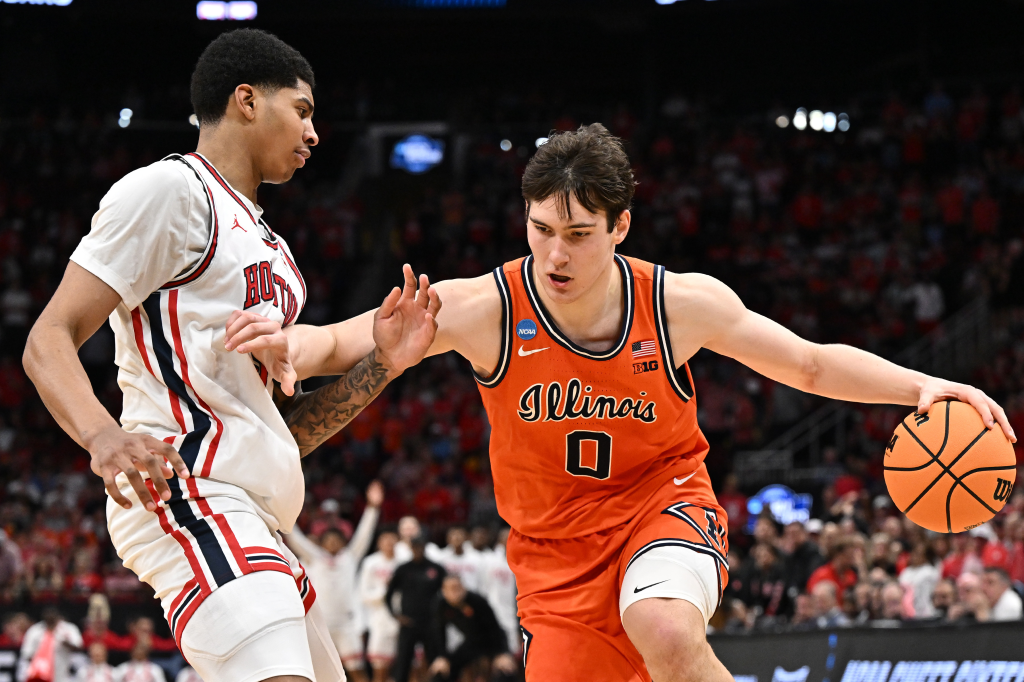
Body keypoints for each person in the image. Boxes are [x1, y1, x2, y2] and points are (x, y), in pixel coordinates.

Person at [238, 123, 1016, 682]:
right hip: (552, 559)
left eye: (578, 233)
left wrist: (922, 386)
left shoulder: (678, 304)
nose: (555, 253)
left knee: (665, 627)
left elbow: (809, 364)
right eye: (542, 229)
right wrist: (284, 341)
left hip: (661, 505)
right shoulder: (486, 308)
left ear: (621, 227)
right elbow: (339, 340)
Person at [21, 28, 439, 682]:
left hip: (255, 513)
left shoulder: (274, 250)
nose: (314, 133)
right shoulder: (171, 190)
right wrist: (102, 435)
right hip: (190, 490)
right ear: (247, 101)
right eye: (301, 110)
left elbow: (284, 428)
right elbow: (48, 338)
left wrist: (382, 364)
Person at [285, 481, 383, 680]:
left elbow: (364, 534)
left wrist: (373, 507)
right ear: (321, 544)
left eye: (336, 540)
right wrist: (285, 514)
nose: (332, 543)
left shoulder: (350, 557)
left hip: (347, 624)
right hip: (322, 624)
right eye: (328, 540)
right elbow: (295, 538)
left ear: (344, 542)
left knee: (357, 671)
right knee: (320, 674)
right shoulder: (315, 558)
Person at [427, 575, 517, 682]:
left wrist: (501, 652)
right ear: (443, 591)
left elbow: (495, 628)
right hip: (471, 642)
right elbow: (439, 632)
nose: (455, 592)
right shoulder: (440, 604)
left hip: (492, 642)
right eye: (451, 589)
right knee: (440, 672)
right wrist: (442, 656)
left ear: (464, 588)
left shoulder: (477, 601)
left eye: (457, 587)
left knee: (506, 671)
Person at [385, 536, 446, 682]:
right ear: (411, 548)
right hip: (408, 622)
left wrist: (441, 616)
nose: (418, 550)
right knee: (403, 662)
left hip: (430, 622)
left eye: (421, 546)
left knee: (435, 660)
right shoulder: (403, 569)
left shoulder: (436, 568)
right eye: (415, 547)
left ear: (425, 547)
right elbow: (388, 595)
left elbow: (446, 594)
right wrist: (396, 615)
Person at [359, 530, 402, 682]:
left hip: (403, 617)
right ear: (379, 543)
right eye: (385, 539)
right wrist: (385, 590)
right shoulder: (370, 562)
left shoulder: (405, 560)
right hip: (380, 618)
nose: (389, 543)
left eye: (392, 539)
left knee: (410, 664)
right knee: (379, 665)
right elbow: (364, 594)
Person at [479, 529, 519, 655]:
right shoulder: (488, 559)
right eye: (504, 537)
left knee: (514, 650)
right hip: (492, 608)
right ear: (499, 540)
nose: (507, 539)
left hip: (513, 611)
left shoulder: (520, 561)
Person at [18, 608, 83, 682]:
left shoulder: (68, 628)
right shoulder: (35, 630)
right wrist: (41, 660)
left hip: (62, 674)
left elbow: (79, 647)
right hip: (40, 675)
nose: (50, 621)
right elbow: (26, 653)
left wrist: (66, 643)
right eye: (48, 619)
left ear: (58, 617)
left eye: (52, 619)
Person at [806, 536, 860, 608]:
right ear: (837, 555)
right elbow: (812, 600)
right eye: (849, 556)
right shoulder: (821, 575)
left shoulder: (851, 575)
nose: (852, 560)